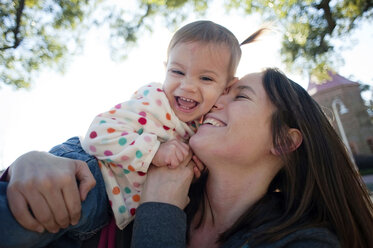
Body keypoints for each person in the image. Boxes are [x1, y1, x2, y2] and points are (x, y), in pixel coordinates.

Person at [4, 68, 373, 248]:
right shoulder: (136, 185)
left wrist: (160, 213)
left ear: (283, 141)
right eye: (221, 92)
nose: (215, 101)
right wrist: (35, 161)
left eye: (240, 96)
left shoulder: (305, 243)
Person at [0, 20, 265, 247]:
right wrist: (155, 152)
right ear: (165, 68)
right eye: (177, 71)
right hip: (95, 178)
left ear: (227, 86)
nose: (187, 85)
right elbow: (98, 134)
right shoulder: (154, 100)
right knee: (22, 223)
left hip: (111, 215)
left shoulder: (204, 127)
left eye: (206, 79)